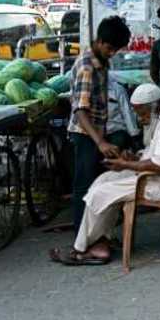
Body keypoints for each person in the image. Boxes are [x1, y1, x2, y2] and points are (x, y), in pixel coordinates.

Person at [50, 83, 160, 265]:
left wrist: (127, 164)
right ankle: (101, 241)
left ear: (153, 106)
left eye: (142, 113)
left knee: (100, 192)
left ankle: (82, 249)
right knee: (104, 180)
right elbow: (159, 153)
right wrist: (134, 158)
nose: (141, 118)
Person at [67, 15, 132, 233]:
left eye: (117, 50)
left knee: (99, 184)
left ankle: (97, 234)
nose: (113, 54)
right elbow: (80, 111)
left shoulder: (102, 62)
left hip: (97, 131)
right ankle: (81, 239)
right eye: (110, 48)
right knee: (84, 186)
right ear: (100, 41)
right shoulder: (87, 67)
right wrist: (101, 142)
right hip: (85, 132)